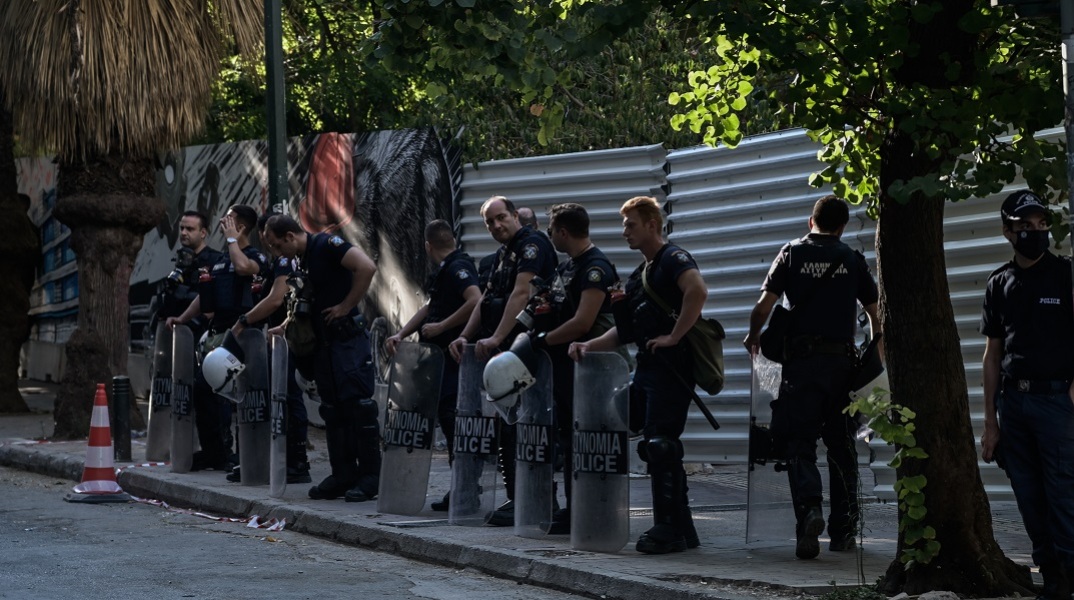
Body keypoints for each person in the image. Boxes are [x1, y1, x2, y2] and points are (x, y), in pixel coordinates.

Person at [742, 194, 880, 560]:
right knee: (841, 445)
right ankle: (843, 532)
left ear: (810, 222)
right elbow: (875, 314)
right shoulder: (852, 259)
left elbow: (763, 307)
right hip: (841, 366)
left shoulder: (791, 253)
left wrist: (754, 337)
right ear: (843, 227)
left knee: (798, 442)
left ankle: (809, 512)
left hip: (801, 367)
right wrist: (874, 354)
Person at [569, 195, 708, 554]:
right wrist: (589, 346)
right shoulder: (637, 276)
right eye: (624, 224)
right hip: (647, 370)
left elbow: (697, 290)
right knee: (657, 444)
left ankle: (668, 529)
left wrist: (675, 335)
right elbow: (625, 333)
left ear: (651, 224)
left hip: (672, 368)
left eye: (631, 224)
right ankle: (683, 527)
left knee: (660, 443)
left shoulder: (673, 259)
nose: (624, 231)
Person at [980, 189, 1074, 600]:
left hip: (1058, 403)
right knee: (1029, 499)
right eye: (1024, 227)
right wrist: (990, 421)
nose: (1035, 233)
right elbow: (992, 353)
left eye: (1041, 225)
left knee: (1063, 498)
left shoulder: (1067, 274)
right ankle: (1052, 582)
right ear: (1007, 231)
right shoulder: (999, 283)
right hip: (1013, 405)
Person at [448, 196, 557, 526]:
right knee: (510, 426)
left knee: (531, 426)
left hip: (527, 350)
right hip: (506, 353)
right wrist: (466, 336)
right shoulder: (502, 254)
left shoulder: (532, 244)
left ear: (514, 216)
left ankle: (538, 498)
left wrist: (497, 338)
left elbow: (521, 293)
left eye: (500, 218)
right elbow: (486, 300)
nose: (496, 225)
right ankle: (518, 495)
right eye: (489, 222)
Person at [262, 214, 381, 502]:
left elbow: (366, 267)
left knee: (358, 407)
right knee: (332, 410)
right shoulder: (300, 260)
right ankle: (342, 474)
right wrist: (286, 327)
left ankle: (370, 478)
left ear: (291, 236)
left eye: (278, 246)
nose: (277, 254)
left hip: (346, 341)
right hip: (323, 347)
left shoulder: (327, 244)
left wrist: (346, 305)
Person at [533, 203, 619, 535]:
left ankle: (593, 510)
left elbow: (583, 323)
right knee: (570, 441)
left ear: (563, 232)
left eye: (552, 230)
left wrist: (544, 340)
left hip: (588, 370)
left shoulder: (595, 268)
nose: (550, 236)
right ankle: (574, 508)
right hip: (565, 368)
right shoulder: (570, 266)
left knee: (587, 441)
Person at [385, 219, 481, 511]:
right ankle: (461, 489)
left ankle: (466, 491)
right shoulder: (444, 270)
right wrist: (402, 333)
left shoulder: (457, 267)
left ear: (428, 246)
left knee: (455, 424)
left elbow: (475, 300)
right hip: (440, 362)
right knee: (449, 421)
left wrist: (441, 328)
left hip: (454, 360)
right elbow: (429, 307)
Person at [167, 205, 270, 472]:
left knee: (231, 394)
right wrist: (183, 318)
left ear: (242, 227)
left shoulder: (253, 255)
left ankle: (233, 454)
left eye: (230, 219)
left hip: (243, 334)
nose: (224, 222)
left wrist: (233, 240)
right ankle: (213, 452)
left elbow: (244, 267)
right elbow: (204, 298)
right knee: (204, 390)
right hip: (218, 335)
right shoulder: (222, 259)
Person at [224, 211, 312, 484]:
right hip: (274, 338)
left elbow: (276, 299)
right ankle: (273, 458)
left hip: (287, 338)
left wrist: (243, 321)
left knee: (288, 398)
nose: (268, 243)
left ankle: (297, 463)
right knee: (278, 399)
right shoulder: (272, 263)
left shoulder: (284, 261)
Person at [153, 211, 224, 336]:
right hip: (173, 331)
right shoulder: (180, 260)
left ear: (203, 233)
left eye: (190, 229)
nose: (184, 233)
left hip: (200, 333)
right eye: (182, 228)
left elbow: (217, 300)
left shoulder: (215, 260)